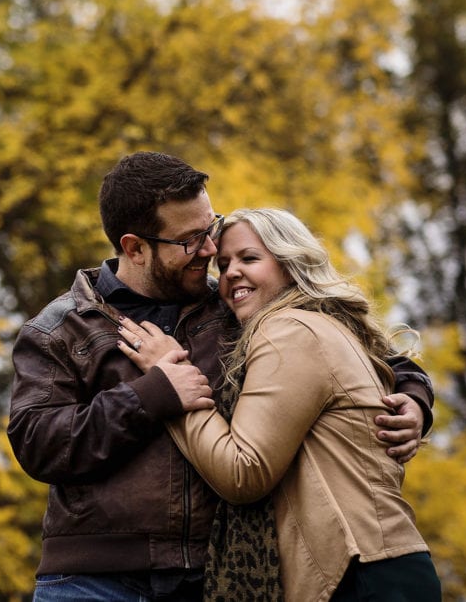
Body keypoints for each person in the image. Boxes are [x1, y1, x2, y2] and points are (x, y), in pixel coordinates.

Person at [7, 152, 435, 601]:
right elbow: (38, 443)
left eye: (210, 228)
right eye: (191, 240)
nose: (211, 251)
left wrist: (414, 395)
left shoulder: (239, 305)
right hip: (94, 581)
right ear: (134, 248)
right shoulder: (61, 326)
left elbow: (361, 347)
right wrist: (148, 397)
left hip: (217, 578)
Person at [118, 207, 441, 601]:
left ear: (290, 264)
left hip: (356, 569)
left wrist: (173, 384)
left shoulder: (289, 329)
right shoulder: (318, 323)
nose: (231, 271)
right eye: (223, 264)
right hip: (377, 564)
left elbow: (243, 472)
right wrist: (418, 396)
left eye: (250, 258)